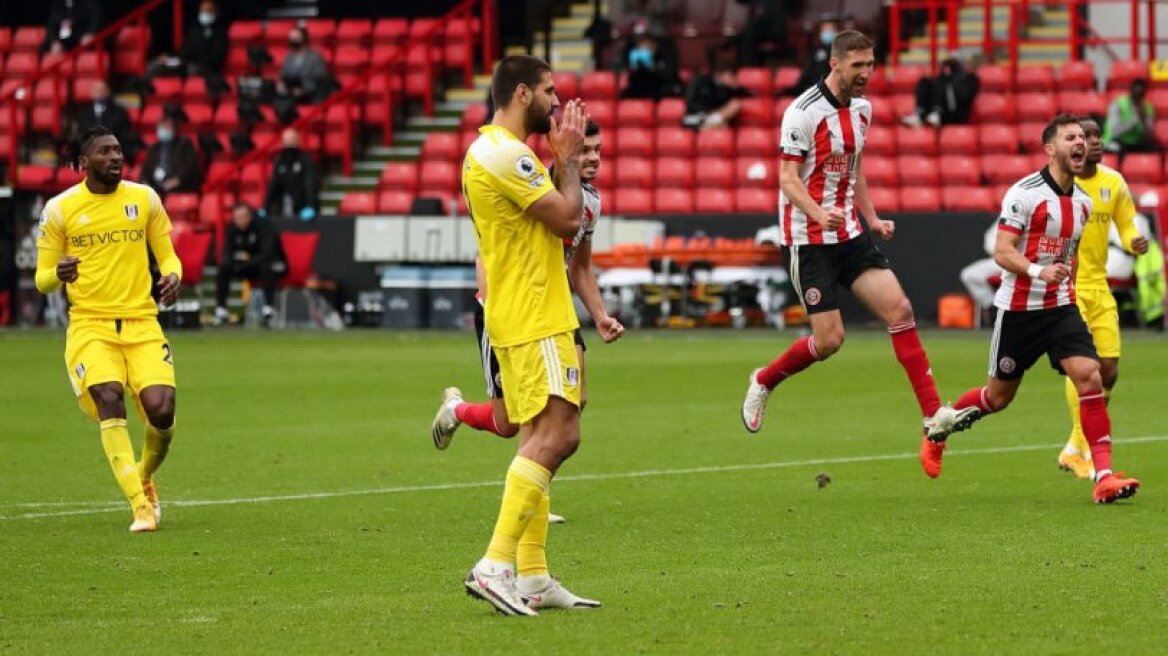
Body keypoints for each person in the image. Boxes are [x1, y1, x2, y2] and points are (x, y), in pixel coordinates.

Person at [740, 31, 962, 455]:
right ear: (835, 63)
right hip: (809, 239)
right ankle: (764, 380)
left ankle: (932, 417)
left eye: (870, 64)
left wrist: (872, 217)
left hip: (850, 233)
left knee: (900, 310)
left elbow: (852, 167)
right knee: (829, 341)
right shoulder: (802, 113)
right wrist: (818, 213)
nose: (865, 73)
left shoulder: (863, 110)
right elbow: (787, 180)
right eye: (857, 65)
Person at [931, 114, 1141, 504]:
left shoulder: (1083, 202)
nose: (1080, 143)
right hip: (1019, 311)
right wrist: (1037, 270)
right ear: (1050, 148)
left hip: (1060, 307)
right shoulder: (1024, 194)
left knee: (1090, 375)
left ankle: (1104, 475)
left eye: (1083, 137)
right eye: (1070, 138)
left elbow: (1069, 255)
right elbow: (1002, 251)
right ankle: (939, 429)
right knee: (997, 399)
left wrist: (1064, 277)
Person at [454, 55, 599, 616]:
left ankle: (533, 576)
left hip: (519, 311)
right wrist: (565, 161)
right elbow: (567, 220)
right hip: (534, 311)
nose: (556, 105)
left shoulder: (488, 150)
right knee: (560, 433)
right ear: (521, 93)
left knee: (537, 430)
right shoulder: (507, 155)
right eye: (549, 92)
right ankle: (494, 565)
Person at [431, 121, 625, 522]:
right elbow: (489, 252)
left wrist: (601, 315)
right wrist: (492, 304)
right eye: (584, 149)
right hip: (508, 312)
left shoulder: (588, 201)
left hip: (554, 311)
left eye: (598, 150)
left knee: (572, 401)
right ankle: (457, 409)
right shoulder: (534, 186)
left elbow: (581, 267)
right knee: (508, 422)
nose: (592, 158)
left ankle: (533, 496)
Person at [34, 126, 181, 532]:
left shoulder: (144, 198)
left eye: (118, 150)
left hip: (141, 322)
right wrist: (58, 273)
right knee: (108, 398)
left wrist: (172, 276)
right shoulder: (60, 209)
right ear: (84, 162)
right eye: (104, 152)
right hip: (91, 325)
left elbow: (169, 257)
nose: (116, 157)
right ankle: (141, 505)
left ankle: (144, 475)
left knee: (162, 410)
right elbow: (42, 278)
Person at [1053, 117, 1150, 478]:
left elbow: (1126, 224)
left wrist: (1133, 242)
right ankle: (1085, 449)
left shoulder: (1113, 182)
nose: (1092, 142)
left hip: (1099, 286)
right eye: (1084, 136)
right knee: (1083, 367)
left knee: (1108, 369)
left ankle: (1074, 448)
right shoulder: (1062, 182)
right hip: (1069, 288)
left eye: (1096, 135)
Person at [213, 203, 286, 327]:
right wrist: (236, 263)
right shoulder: (232, 229)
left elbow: (267, 253)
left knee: (266, 267)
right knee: (224, 267)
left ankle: (268, 308)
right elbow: (227, 252)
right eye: (238, 218)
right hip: (246, 266)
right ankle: (221, 309)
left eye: (244, 217)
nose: (241, 221)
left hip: (271, 265)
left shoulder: (264, 227)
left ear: (250, 216)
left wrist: (246, 262)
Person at [150, 0, 229, 77]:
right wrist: (169, 57)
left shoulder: (220, 32)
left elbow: (217, 58)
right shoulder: (194, 30)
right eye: (202, 11)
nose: (204, 14)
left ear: (215, 12)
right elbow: (183, 51)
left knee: (192, 69)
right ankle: (144, 87)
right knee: (155, 66)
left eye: (208, 11)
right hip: (185, 64)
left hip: (205, 68)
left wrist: (197, 60)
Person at [70, 80, 140, 163]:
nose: (99, 94)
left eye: (102, 91)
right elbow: (82, 135)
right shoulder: (83, 114)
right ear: (92, 93)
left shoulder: (119, 113)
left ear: (108, 92)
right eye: (97, 91)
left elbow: (124, 136)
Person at [901, 57, 979, 128]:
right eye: (944, 68)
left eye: (949, 68)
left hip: (956, 114)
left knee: (941, 83)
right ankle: (920, 114)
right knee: (924, 81)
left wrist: (952, 78)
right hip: (937, 111)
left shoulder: (971, 79)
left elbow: (965, 95)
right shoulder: (941, 79)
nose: (946, 70)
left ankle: (936, 112)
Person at [262, 128, 319, 221]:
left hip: (302, 205)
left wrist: (311, 205)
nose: (289, 143)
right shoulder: (279, 161)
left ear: (298, 141)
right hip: (284, 205)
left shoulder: (306, 160)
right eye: (287, 140)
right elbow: (273, 184)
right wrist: (266, 206)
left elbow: (310, 183)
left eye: (292, 140)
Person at [140, 115, 202, 195]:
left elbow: (190, 166)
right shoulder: (154, 148)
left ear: (174, 129)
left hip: (178, 185)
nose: (164, 130)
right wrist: (145, 183)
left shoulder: (184, 145)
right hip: (156, 185)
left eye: (167, 127)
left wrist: (177, 180)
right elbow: (146, 169)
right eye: (162, 127)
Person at [682, 64, 751, 131]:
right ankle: (707, 127)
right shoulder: (700, 80)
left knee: (735, 105)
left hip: (713, 119)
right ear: (719, 75)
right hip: (694, 117)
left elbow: (748, 95)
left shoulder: (730, 90)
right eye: (731, 76)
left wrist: (735, 87)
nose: (734, 79)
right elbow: (690, 101)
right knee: (721, 126)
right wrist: (708, 112)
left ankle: (708, 126)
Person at [1103, 79, 1157, 155]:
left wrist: (1144, 121)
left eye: (1140, 95)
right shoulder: (1118, 104)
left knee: (1154, 148)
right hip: (1115, 140)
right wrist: (1135, 118)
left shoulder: (1148, 108)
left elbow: (1149, 136)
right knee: (1116, 149)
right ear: (1131, 92)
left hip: (1135, 142)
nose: (1138, 98)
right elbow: (1114, 131)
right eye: (1136, 94)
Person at [279, 27, 332, 104]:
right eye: (291, 38)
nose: (292, 41)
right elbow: (284, 75)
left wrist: (303, 90)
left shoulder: (315, 57)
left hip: (309, 95)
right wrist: (281, 85)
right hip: (290, 93)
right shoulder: (289, 57)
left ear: (304, 39)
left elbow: (320, 81)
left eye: (295, 38)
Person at [786, 18, 836, 97]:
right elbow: (806, 74)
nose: (828, 33)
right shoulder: (816, 51)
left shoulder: (841, 53)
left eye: (830, 30)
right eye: (825, 30)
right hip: (812, 89)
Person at [959, 221, 999, 311]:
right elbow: (990, 238)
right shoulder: (1006, 214)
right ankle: (993, 308)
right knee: (969, 274)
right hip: (1000, 259)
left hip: (1023, 261)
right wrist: (1000, 252)